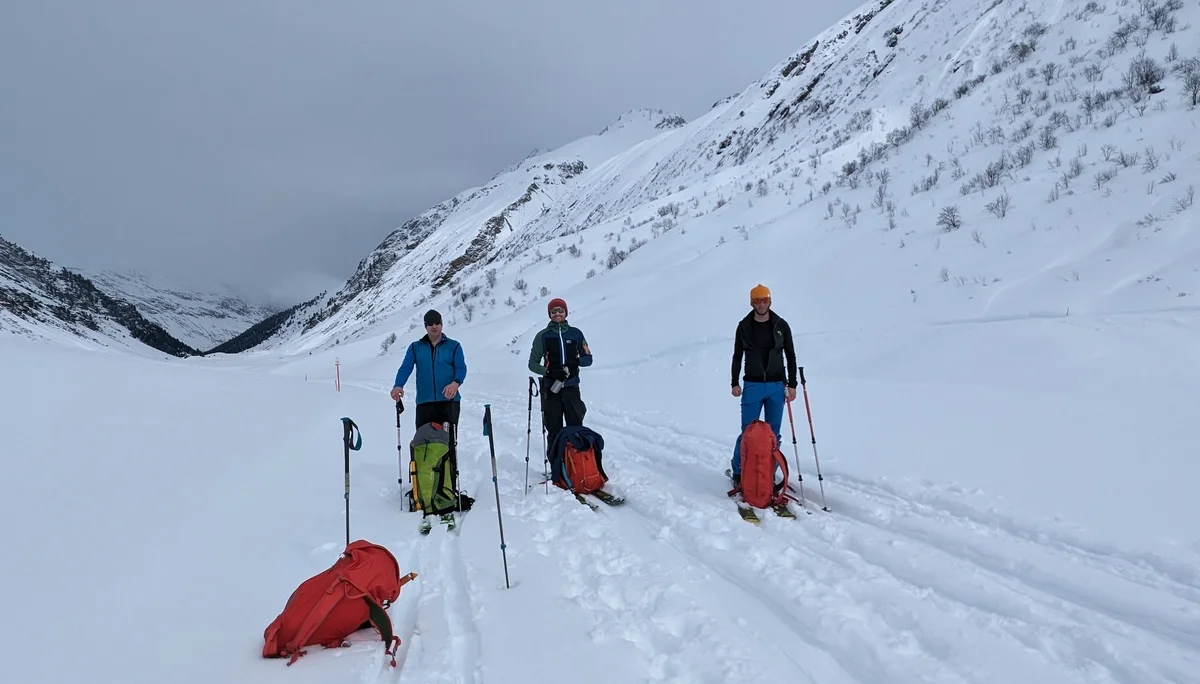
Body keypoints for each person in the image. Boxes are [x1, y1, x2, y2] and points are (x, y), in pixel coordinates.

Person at [729, 284, 798, 483]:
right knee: (748, 432)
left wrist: (792, 384)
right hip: (752, 384)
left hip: (777, 386)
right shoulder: (744, 326)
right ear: (751, 302)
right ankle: (739, 471)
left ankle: (767, 473)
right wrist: (734, 382)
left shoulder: (780, 325)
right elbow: (737, 356)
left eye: (764, 300)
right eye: (757, 300)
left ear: (770, 301)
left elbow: (790, 355)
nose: (761, 304)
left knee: (773, 433)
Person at [527, 297, 593, 461]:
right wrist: (549, 371)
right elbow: (532, 364)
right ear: (549, 314)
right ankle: (556, 467)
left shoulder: (575, 334)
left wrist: (576, 362)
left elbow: (588, 359)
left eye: (560, 310)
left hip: (571, 387)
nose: (557, 314)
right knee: (554, 428)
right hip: (551, 389)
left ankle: (577, 465)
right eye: (553, 311)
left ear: (566, 313)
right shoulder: (543, 336)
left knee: (575, 427)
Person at [390, 309, 467, 433]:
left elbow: (461, 368)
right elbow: (406, 367)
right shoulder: (415, 347)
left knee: (449, 443)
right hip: (424, 402)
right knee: (424, 444)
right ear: (425, 326)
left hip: (449, 402)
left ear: (442, 324)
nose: (434, 326)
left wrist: (455, 383)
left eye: (437, 323)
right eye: (430, 323)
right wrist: (398, 385)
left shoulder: (454, 346)